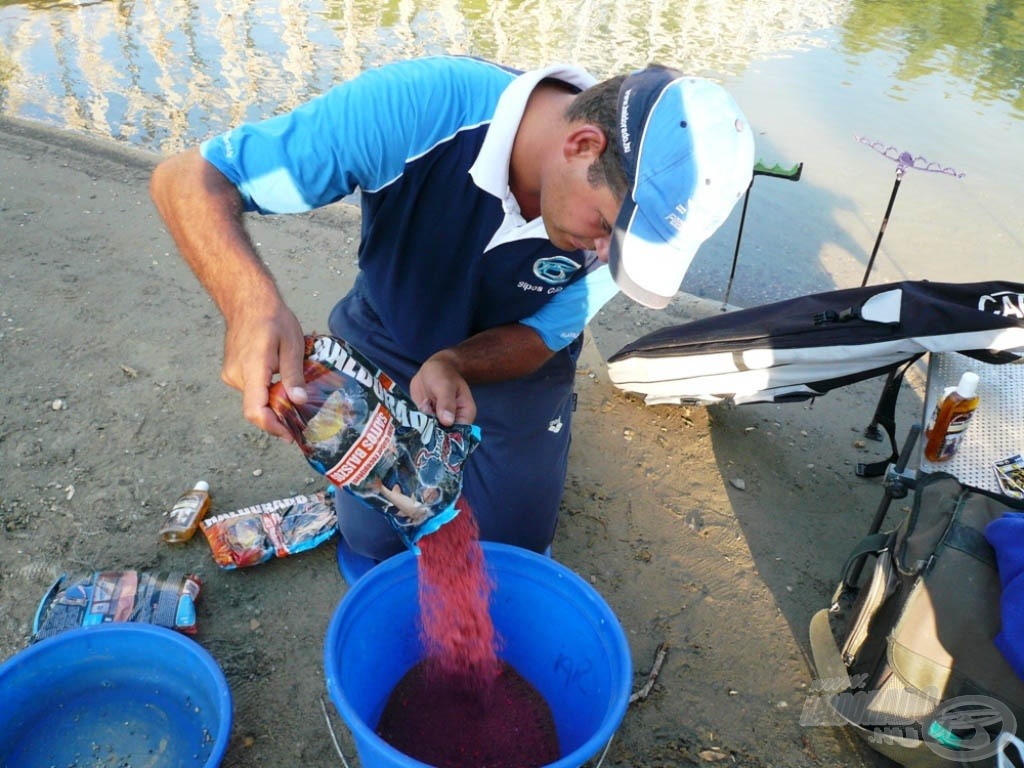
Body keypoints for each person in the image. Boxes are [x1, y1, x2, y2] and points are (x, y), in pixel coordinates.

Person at [149, 55, 755, 561]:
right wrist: (251, 304)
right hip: (391, 324)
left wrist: (454, 362)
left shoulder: (613, 237)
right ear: (582, 144)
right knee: (375, 534)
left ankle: (535, 440)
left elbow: (546, 333)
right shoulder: (418, 108)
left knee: (510, 549)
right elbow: (188, 178)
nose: (605, 253)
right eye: (606, 227)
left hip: (512, 356)